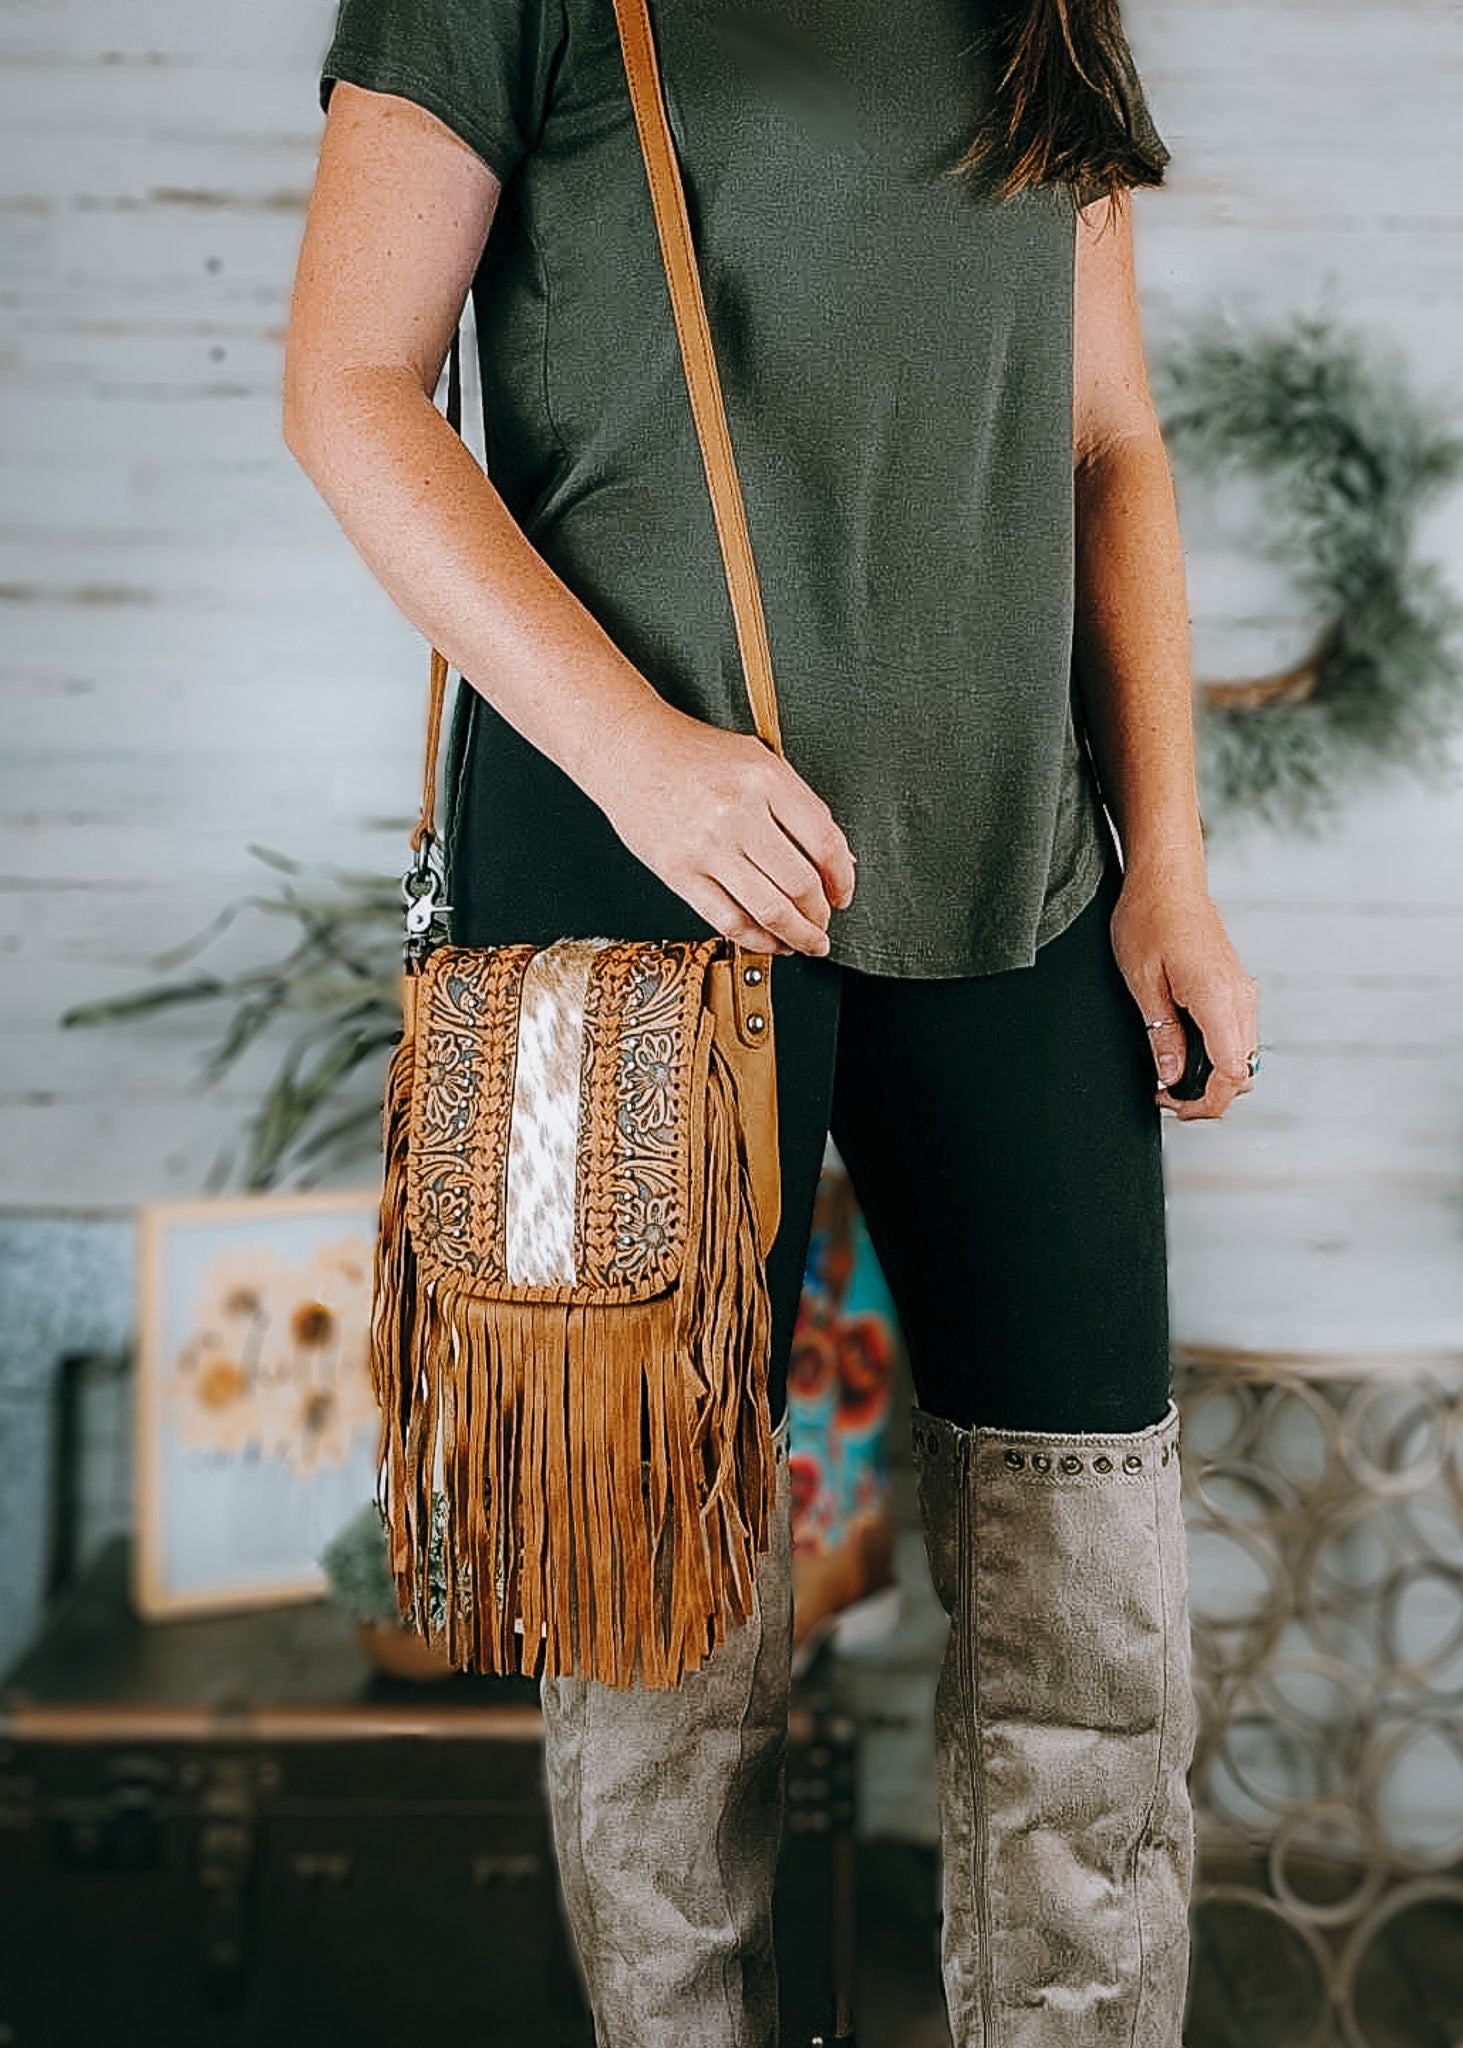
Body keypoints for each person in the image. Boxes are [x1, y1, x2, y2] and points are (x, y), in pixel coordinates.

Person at [283, 0, 1259, 2038]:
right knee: (656, 1625)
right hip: (623, 878)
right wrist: (643, 754)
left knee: (1095, 1601)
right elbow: (351, 392)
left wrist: (1165, 857)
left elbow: (1110, 438)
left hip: (1023, 875)